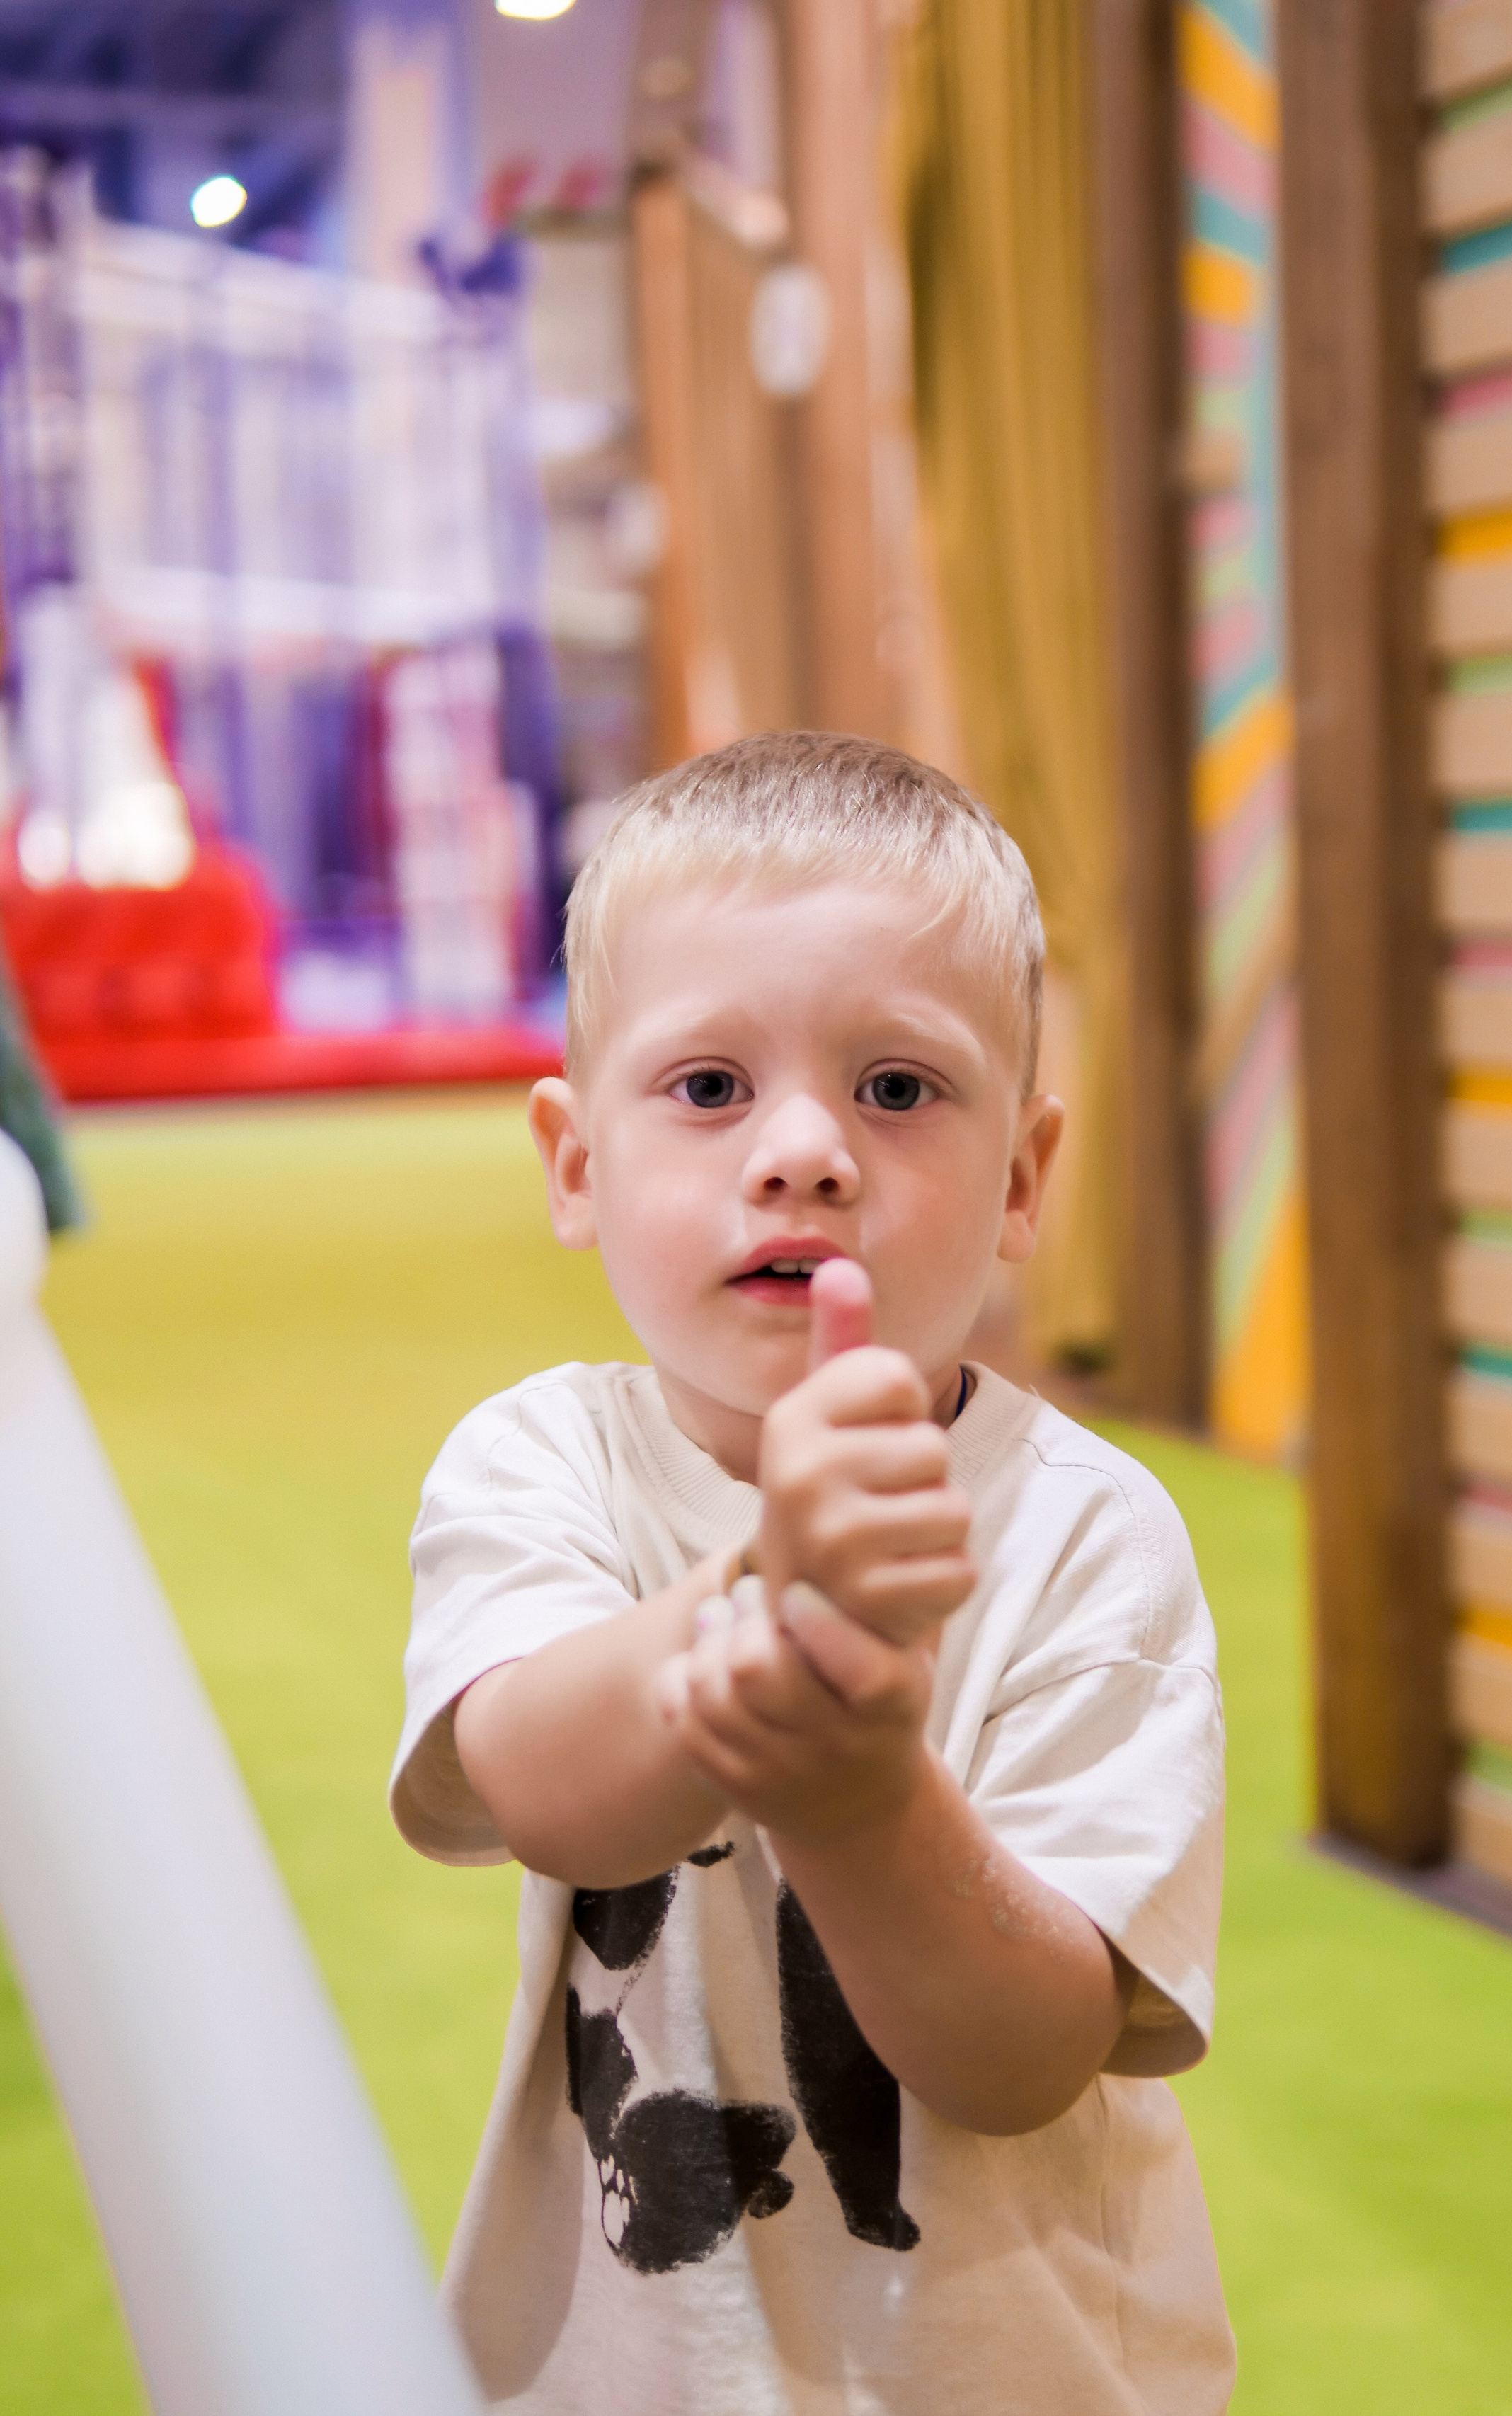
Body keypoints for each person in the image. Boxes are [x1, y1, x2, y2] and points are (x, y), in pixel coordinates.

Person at [390, 731, 1236, 2414]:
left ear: (1016, 1180)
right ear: (575, 1162)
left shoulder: (1085, 1536)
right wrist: (766, 1595)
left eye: (897, 1090)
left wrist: (859, 1798)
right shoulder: (540, 1463)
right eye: (707, 1088)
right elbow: (546, 1786)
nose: (804, 1153)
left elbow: (1017, 2060)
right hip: (612, 2373)